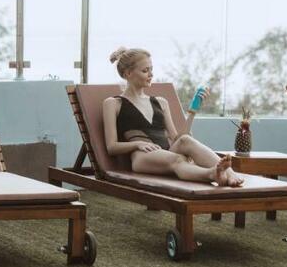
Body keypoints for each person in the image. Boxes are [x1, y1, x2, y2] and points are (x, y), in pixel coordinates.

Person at [103, 46, 244, 186]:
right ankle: (212, 174)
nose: (151, 74)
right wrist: (138, 144)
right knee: (177, 159)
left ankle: (230, 174)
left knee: (185, 141)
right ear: (128, 73)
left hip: (166, 151)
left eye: (151, 69)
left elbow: (178, 139)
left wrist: (192, 112)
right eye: (145, 71)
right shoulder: (113, 103)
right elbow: (112, 147)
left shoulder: (161, 102)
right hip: (141, 157)